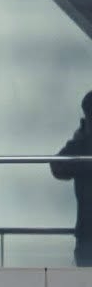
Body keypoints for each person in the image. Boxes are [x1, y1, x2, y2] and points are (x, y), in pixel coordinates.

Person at [51, 91, 92, 267]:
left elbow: (59, 167)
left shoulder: (82, 146)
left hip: (87, 234)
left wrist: (81, 139)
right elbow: (59, 167)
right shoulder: (83, 145)